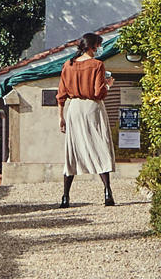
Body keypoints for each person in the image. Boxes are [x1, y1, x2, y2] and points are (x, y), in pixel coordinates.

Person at [56, 31, 116, 208]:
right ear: (92, 46)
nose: (99, 49)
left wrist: (60, 116)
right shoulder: (97, 65)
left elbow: (61, 93)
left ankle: (65, 197)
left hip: (74, 109)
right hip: (92, 107)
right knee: (101, 147)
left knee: (72, 150)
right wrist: (108, 85)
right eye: (97, 45)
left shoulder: (68, 65)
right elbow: (99, 92)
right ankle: (107, 192)